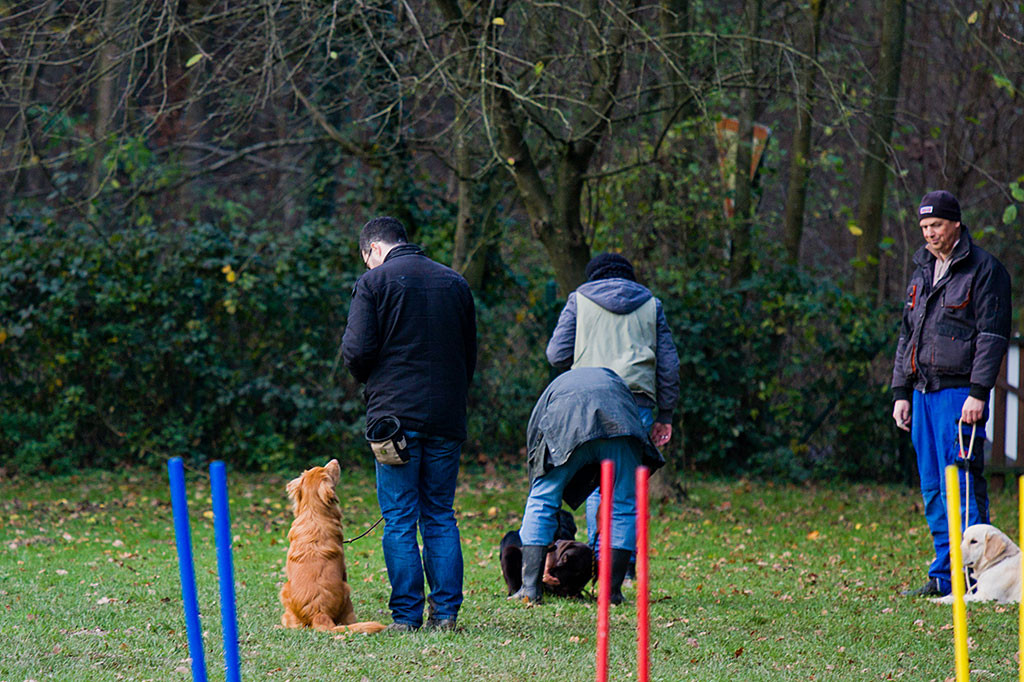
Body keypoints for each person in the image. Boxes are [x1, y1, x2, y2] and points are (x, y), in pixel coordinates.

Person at [341, 216, 477, 631]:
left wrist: (375, 381)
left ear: (373, 250)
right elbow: (469, 354)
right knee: (439, 513)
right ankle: (447, 614)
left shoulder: (375, 283)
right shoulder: (455, 283)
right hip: (447, 416)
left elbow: (357, 351)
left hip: (393, 420)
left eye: (367, 260)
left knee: (400, 517)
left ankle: (406, 617)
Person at [892, 190, 1012, 598]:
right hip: (922, 394)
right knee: (931, 488)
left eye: (937, 226)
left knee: (960, 485)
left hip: (960, 394)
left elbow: (992, 337)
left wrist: (979, 392)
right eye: (924, 228)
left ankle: (977, 581)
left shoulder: (985, 270)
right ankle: (945, 575)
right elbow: (908, 334)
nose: (930, 235)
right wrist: (900, 391)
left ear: (956, 224)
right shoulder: (921, 269)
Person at [545, 252, 679, 556]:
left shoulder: (579, 300)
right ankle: (622, 562)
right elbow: (669, 366)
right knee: (626, 484)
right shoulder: (651, 305)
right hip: (635, 403)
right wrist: (666, 413)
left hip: (586, 400)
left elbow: (555, 354)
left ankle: (598, 557)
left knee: (595, 477)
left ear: (594, 276)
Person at [511, 367, 664, 605]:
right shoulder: (614, 382)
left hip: (568, 424)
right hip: (620, 426)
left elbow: (537, 459)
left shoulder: (554, 391)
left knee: (542, 498)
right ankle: (611, 593)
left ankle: (530, 589)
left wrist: (549, 547)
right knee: (624, 505)